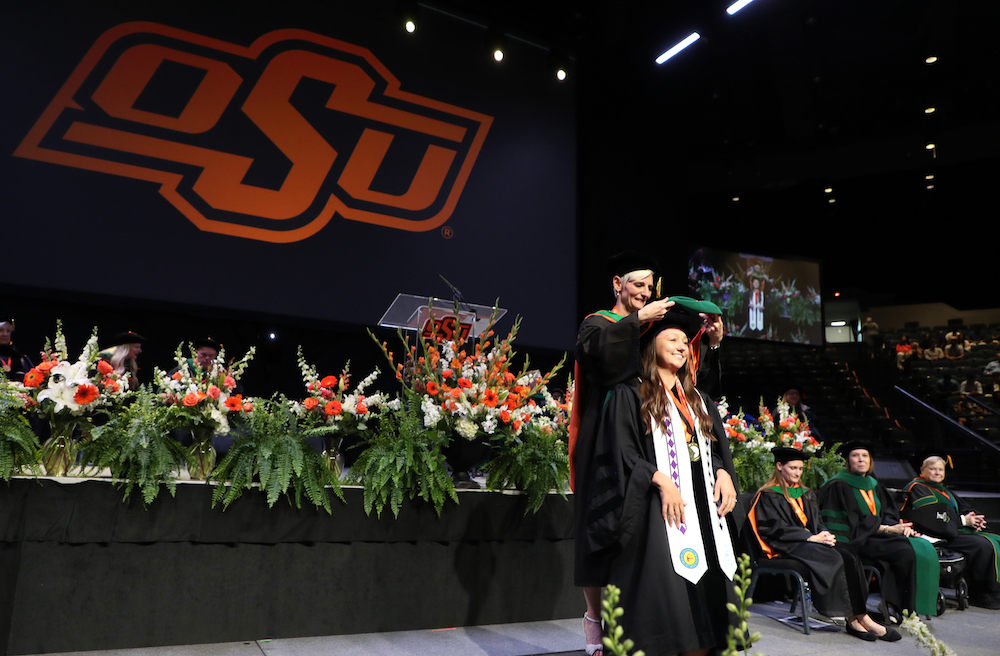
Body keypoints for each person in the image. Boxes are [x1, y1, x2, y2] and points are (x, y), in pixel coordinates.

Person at [570, 251, 724, 656]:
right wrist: (639, 320)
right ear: (617, 283)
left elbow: (679, 375)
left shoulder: (652, 324)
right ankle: (593, 619)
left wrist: (707, 342)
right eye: (637, 283)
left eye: (650, 285)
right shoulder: (598, 323)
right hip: (605, 433)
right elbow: (603, 360)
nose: (645, 291)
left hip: (646, 430)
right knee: (600, 528)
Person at [749, 447, 901, 641]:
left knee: (847, 552)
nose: (797, 473)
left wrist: (823, 533)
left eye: (800, 469)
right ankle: (856, 619)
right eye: (793, 468)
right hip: (786, 546)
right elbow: (772, 528)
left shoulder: (805, 493)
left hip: (810, 543)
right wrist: (810, 538)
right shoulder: (769, 495)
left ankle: (860, 616)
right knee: (834, 556)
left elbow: (817, 520)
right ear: (779, 466)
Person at [817, 442, 939, 621]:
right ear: (848, 461)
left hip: (876, 538)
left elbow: (887, 513)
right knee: (903, 550)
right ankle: (902, 608)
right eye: (855, 456)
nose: (860, 459)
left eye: (865, 456)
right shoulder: (838, 485)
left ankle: (895, 606)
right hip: (856, 540)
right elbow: (849, 522)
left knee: (914, 546)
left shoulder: (874, 484)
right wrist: (887, 529)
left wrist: (900, 528)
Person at [901, 455, 1000, 609]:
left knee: (995, 540)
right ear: (922, 470)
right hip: (936, 534)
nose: (937, 472)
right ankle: (983, 594)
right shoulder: (918, 488)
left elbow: (963, 507)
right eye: (932, 469)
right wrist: (963, 521)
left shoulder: (942, 489)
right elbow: (934, 518)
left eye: (940, 469)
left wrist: (974, 517)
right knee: (983, 545)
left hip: (952, 530)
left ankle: (995, 590)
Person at [0, 317, 33, 382]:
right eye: (0, 330)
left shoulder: (21, 359)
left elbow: (34, 380)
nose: (5, 334)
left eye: (8, 331)